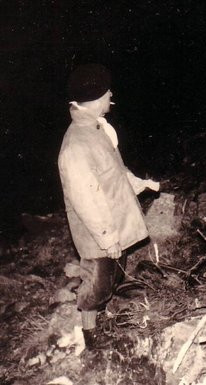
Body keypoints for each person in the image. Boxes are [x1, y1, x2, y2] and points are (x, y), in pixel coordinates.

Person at [58, 63, 159, 349]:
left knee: (113, 274)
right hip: (99, 232)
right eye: (106, 91)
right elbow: (86, 199)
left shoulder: (96, 129)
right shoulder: (76, 144)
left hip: (113, 222)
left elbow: (114, 170)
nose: (111, 94)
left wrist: (139, 184)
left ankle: (107, 316)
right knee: (97, 283)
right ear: (95, 97)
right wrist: (108, 238)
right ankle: (91, 336)